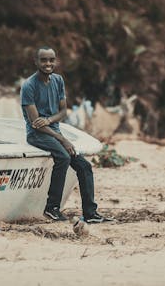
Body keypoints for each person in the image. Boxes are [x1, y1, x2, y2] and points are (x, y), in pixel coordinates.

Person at [20, 46, 113, 223]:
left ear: (55, 61)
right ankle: (52, 208)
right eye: (44, 60)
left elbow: (63, 112)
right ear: (36, 62)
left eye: (51, 60)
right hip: (37, 135)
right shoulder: (28, 86)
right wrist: (62, 139)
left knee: (84, 166)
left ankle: (90, 214)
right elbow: (35, 124)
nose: (48, 63)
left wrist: (48, 120)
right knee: (63, 157)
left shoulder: (58, 80)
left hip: (53, 132)